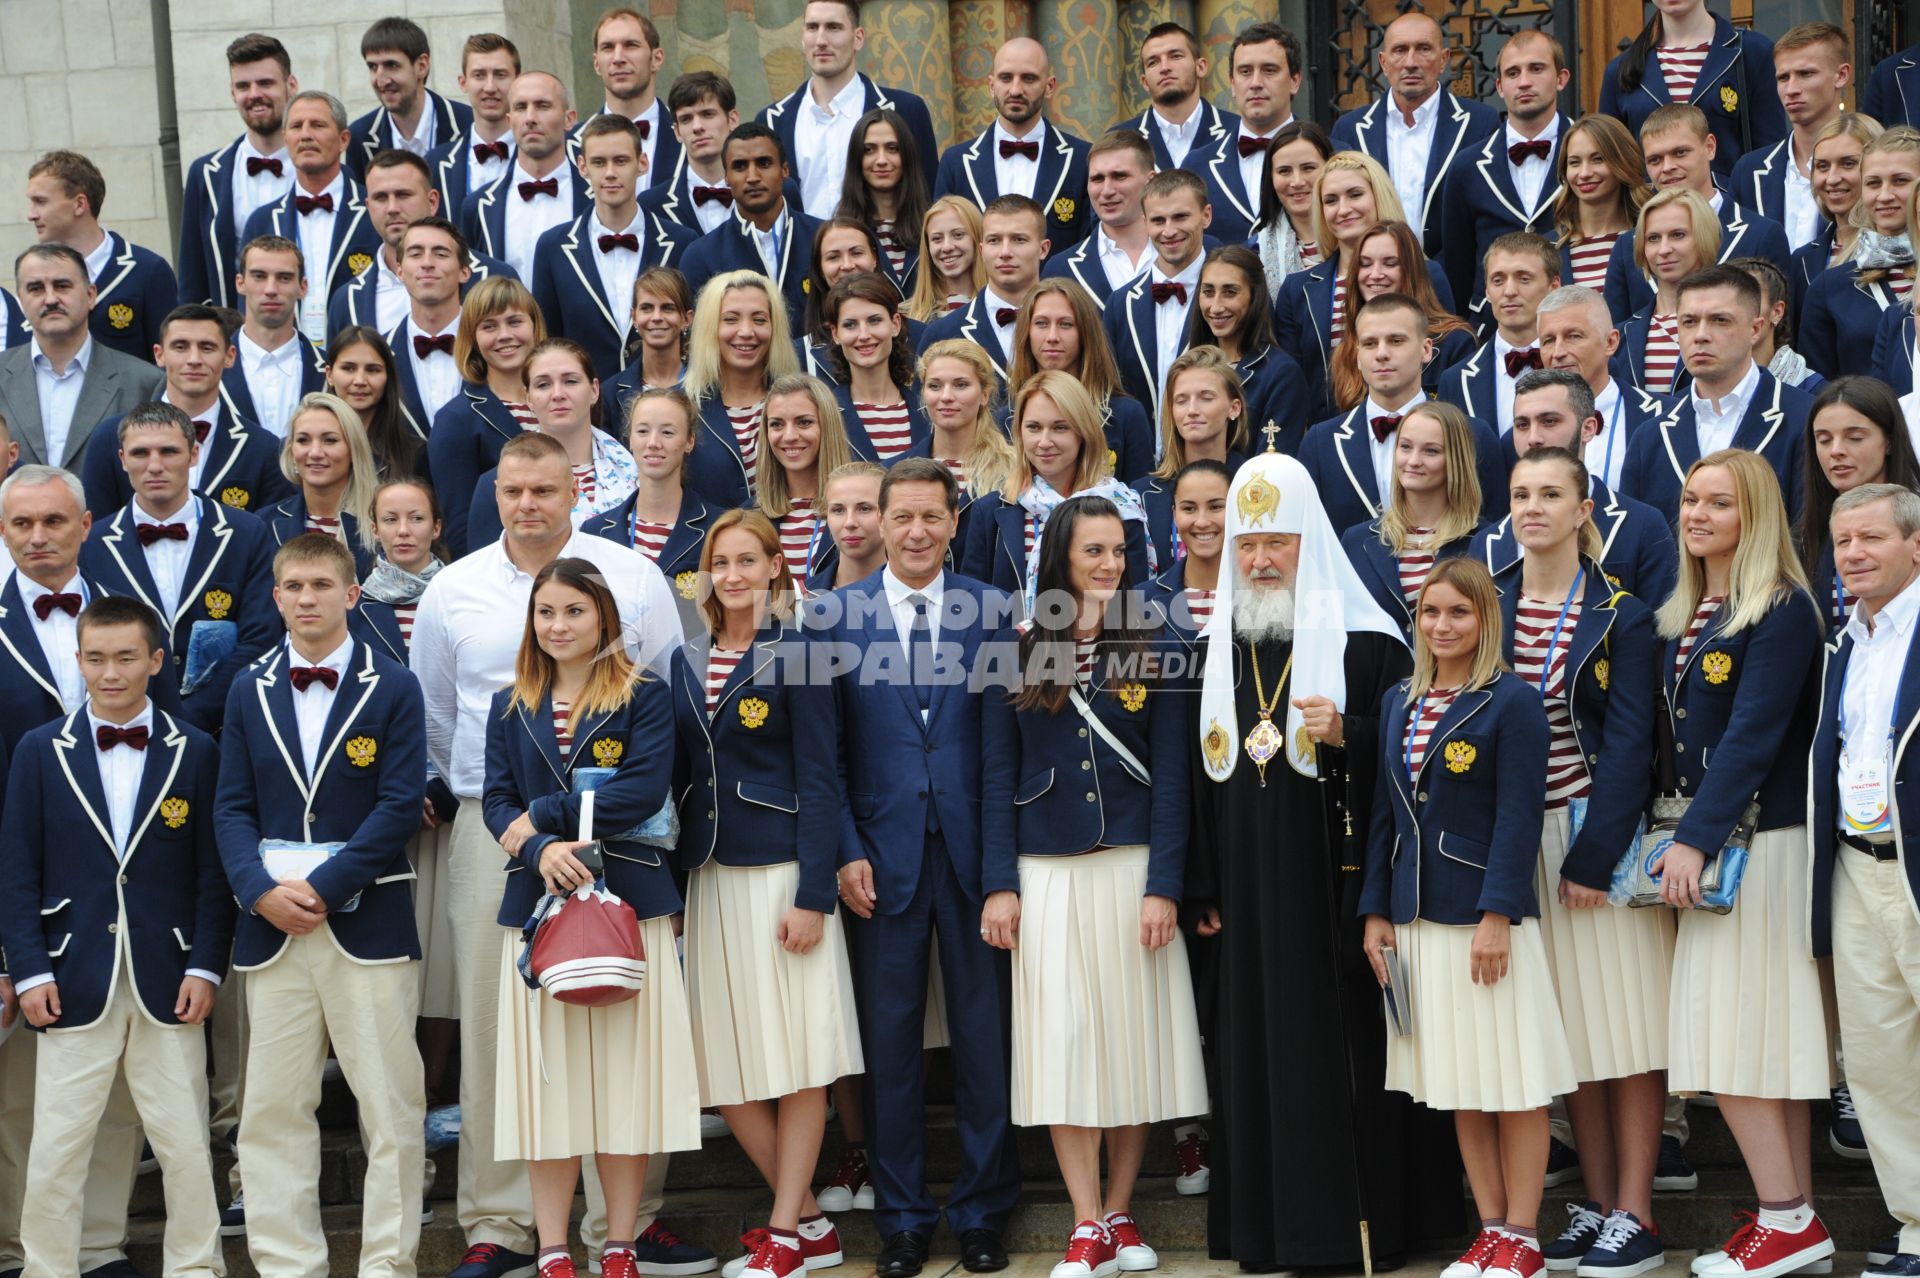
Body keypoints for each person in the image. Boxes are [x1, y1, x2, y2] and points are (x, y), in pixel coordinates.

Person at [411, 428, 695, 1278]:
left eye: (543, 489)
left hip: (622, 846)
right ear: (493, 492)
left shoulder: (633, 574)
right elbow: (437, 713)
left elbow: (669, 697)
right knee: (507, 1030)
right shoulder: (452, 588)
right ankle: (503, 1225)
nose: (526, 504)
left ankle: (627, 1226)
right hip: (493, 838)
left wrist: (551, 816)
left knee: (622, 1025)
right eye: (511, 490)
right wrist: (523, 834)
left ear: (575, 487)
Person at [1189, 446, 1462, 1272]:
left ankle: (1352, 1229)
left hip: (1335, 897)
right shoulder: (1217, 647)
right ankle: (1267, 1231)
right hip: (1245, 894)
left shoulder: (1370, 645)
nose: (1262, 560)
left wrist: (1350, 736)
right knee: (1255, 1056)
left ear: (1309, 540)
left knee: (1344, 1063)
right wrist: (1200, 879)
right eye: (1247, 544)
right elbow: (1194, 779)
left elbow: (1410, 767)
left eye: (1278, 542)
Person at [980, 492, 1205, 1278]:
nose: (1108, 566)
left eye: (1117, 551)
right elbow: (996, 773)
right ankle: (1083, 1220)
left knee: (1130, 1044)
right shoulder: (1016, 647)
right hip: (1044, 871)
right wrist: (998, 883)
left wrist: (1165, 884)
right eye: (1092, 552)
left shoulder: (1158, 640)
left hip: (1133, 870)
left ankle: (1119, 1209)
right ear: (1060, 561)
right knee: (1065, 1043)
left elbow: (1174, 777)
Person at [804, 456, 1018, 1278]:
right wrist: (845, 851)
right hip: (877, 864)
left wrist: (1002, 874)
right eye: (904, 518)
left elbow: (1003, 755)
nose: (919, 532)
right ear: (879, 524)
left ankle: (983, 1213)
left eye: (934, 517)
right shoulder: (831, 616)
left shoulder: (994, 612)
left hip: (971, 863)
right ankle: (899, 1219)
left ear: (954, 523)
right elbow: (825, 760)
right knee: (890, 1051)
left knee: (982, 1046)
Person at [214, 530, 429, 1278]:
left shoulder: (394, 683)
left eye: (320, 586)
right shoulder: (249, 688)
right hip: (270, 927)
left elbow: (401, 805)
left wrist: (328, 886)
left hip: (366, 920)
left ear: (352, 593)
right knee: (270, 1110)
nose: (307, 599)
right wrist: (259, 890)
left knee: (392, 1109)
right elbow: (231, 808)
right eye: (294, 587)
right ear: (275, 598)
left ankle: (387, 1266)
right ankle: (285, 1265)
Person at [482, 555, 700, 1278]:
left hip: (630, 902)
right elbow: (492, 799)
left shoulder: (644, 694)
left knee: (625, 1084)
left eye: (573, 611)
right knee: (550, 1089)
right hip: (539, 909)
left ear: (601, 616)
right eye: (546, 612)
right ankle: (552, 1251)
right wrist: (536, 849)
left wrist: (535, 826)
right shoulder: (510, 702)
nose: (558, 625)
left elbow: (641, 792)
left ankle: (618, 1247)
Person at [0, 593, 229, 1278]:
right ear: (77, 661)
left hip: (170, 973)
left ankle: (196, 1266)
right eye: (96, 659)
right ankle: (48, 1268)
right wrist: (32, 970)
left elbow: (212, 874)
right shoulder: (40, 752)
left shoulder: (197, 749)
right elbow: (17, 871)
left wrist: (207, 966)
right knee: (58, 1142)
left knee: (184, 1140)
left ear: (156, 660)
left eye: (126, 657)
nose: (110, 673)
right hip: (73, 976)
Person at [1486, 447, 1671, 1278]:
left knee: (1625, 1028)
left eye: (1550, 494)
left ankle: (1637, 1211)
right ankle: (1597, 1206)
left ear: (1583, 507)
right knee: (1569, 1033)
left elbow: (1632, 742)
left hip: (1597, 838)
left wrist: (1596, 856)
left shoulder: (1621, 613)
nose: (1533, 507)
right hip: (1515, 845)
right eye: (1522, 493)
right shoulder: (1487, 604)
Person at [1359, 556, 1570, 1278]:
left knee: (1512, 1084)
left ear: (1486, 620)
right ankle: (1489, 1228)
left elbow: (1518, 818)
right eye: (1430, 612)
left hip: (1484, 921)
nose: (1442, 626)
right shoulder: (1399, 701)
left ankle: (1524, 1234)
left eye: (1459, 612)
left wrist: (1497, 916)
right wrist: (1376, 913)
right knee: (1459, 1086)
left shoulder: (1512, 700)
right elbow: (1385, 815)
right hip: (1417, 920)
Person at [1653, 449, 1833, 1278]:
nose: (1697, 515)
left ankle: (1787, 1216)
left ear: (1752, 516)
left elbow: (1753, 736)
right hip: (1726, 844)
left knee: (1733, 1038)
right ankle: (1790, 1215)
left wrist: (1694, 839)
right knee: (1752, 1038)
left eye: (1718, 504)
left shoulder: (1783, 608)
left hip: (1758, 846)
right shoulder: (1690, 607)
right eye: (1691, 499)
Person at [671, 508, 859, 1278]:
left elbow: (822, 778)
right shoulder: (683, 658)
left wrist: (815, 892)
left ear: (776, 567)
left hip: (785, 876)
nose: (735, 575)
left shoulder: (802, 651)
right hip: (710, 877)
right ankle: (812, 1219)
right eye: (722, 563)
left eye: (750, 560)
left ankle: (784, 1233)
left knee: (801, 1057)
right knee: (725, 1065)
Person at [1808, 482, 1920, 1278]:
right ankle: (1917, 1227)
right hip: (1855, 865)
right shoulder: (1843, 638)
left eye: (1870, 539)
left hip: (1915, 868)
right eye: (1844, 542)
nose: (1853, 555)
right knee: (1879, 1064)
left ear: (1916, 544)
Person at [353, 477, 460, 1106]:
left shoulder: (461, 593)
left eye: (415, 517)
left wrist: (441, 787)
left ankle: (437, 1084)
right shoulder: (356, 608)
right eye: (389, 519)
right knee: (401, 952)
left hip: (452, 798)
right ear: (373, 528)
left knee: (445, 951)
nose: (402, 531)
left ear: (436, 526)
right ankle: (394, 1092)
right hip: (385, 806)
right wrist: (401, 788)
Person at [80, 400, 280, 732]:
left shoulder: (245, 533)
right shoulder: (93, 544)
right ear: (122, 460)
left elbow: (261, 638)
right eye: (141, 453)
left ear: (194, 454)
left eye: (169, 452)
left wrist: (194, 718)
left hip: (224, 729)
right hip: (125, 727)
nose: (155, 465)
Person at [1299, 292, 1505, 535]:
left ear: (1426, 349)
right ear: (1357, 356)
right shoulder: (1321, 443)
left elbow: (1494, 535)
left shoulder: (1474, 434)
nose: (1381, 353)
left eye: (1396, 341)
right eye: (1369, 343)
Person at [1477, 367, 1679, 610]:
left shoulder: (1642, 526)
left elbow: (1657, 635)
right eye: (1522, 425)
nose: (1533, 437)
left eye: (1549, 421)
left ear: (1588, 428)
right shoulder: (1486, 542)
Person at [1622, 266, 1812, 524]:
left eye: (1720, 320)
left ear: (1756, 329)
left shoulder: (1804, 418)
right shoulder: (1650, 437)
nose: (1700, 336)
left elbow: (1811, 536)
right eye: (1689, 322)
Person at [1272, 154, 1446, 417]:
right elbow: (1293, 386)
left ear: (1379, 197)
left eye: (1355, 195)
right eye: (1331, 200)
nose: (1343, 209)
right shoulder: (1297, 290)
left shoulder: (1428, 273)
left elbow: (1442, 355)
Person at [960, 370, 1153, 607]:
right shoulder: (990, 511)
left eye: (1060, 427)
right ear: (1019, 433)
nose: (1044, 441)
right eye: (1033, 427)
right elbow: (974, 606)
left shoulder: (1121, 507)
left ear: (1083, 432)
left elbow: (1133, 600)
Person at [79, 303, 291, 518]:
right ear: (159, 354)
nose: (194, 360)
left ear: (230, 356)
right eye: (180, 347)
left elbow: (268, 540)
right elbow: (96, 534)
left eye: (207, 348)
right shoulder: (109, 437)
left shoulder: (263, 449)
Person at [532, 114, 698, 383]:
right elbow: (547, 341)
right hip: (585, 406)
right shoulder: (553, 247)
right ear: (582, 166)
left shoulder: (682, 242)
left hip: (667, 400)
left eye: (620, 161)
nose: (610, 173)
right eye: (599, 162)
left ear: (641, 163)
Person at [1601, 105, 1795, 322]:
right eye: (1655, 160)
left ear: (1710, 147)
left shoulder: (1762, 235)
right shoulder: (1629, 245)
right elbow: (1617, 337)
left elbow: (1780, 332)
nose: (1667, 167)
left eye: (1680, 153)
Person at [1439, 31, 1576, 334]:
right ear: (1500, 86)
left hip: (1573, 324)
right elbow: (1458, 265)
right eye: (1513, 73)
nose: (1524, 81)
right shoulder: (1467, 166)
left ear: (1562, 78)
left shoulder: (1592, 154)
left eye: (1536, 69)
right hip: (1490, 330)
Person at [1329, 13, 1500, 249]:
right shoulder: (1349, 129)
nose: (1411, 62)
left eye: (1423, 49)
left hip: (1452, 279)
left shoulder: (1479, 123)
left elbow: (1487, 214)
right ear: (1383, 62)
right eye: (1400, 50)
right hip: (1373, 277)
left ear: (1443, 59)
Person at [760, 0, 938, 220]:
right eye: (812, 27)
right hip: (800, 253)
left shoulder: (906, 110)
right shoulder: (770, 122)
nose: (821, 40)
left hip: (885, 251)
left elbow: (928, 202)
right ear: (803, 36)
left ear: (858, 38)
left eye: (834, 27)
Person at [0, 243, 166, 468]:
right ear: (20, 300)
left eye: (62, 286)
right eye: (36, 288)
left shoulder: (144, 382)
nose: (50, 299)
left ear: (90, 295)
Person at [465, 338, 640, 549]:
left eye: (570, 381)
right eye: (543, 385)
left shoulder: (639, 471)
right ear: (528, 397)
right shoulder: (498, 482)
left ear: (594, 390)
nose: (558, 394)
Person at [240, 90, 382, 344]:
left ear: (344, 139)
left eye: (317, 125)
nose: (306, 135)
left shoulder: (375, 211)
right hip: (289, 359)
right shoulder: (262, 221)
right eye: (296, 126)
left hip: (361, 362)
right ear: (286, 139)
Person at [329, 149, 515, 337]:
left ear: (432, 201)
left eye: (403, 195)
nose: (392, 208)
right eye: (381, 198)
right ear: (368, 207)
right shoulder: (346, 300)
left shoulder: (496, 276)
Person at [428, 275, 548, 557]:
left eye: (514, 322)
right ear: (472, 337)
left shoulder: (563, 400)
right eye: (489, 326)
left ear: (534, 325)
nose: (504, 335)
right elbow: (460, 531)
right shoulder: (456, 420)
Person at [1339, 400, 1485, 632]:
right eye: (1405, 447)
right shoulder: (1356, 541)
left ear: (1456, 460)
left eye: (1431, 451)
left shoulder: (1484, 542)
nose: (1414, 461)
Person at [1599, 0, 1787, 179]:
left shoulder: (1752, 52)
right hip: (1651, 207)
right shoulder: (1621, 69)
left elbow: (1771, 156)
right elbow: (1612, 161)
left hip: (1728, 207)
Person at [177, 33, 298, 311]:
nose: (254, 94)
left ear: (291, 85)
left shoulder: (324, 169)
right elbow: (191, 275)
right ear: (233, 93)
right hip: (234, 336)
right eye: (243, 86)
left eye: (265, 83)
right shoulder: (206, 174)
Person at [934, 38, 1091, 249]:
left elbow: (1090, 246)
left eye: (1028, 78)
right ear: (991, 85)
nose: (1015, 90)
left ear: (1050, 86)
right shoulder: (956, 163)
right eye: (1006, 78)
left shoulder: (1082, 159)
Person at [25, 150, 178, 362]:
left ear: (79, 204)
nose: (31, 214)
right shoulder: (32, 276)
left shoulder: (146, 270)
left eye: (41, 202)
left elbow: (169, 362)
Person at [1799, 376, 1920, 634]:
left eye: (1854, 437)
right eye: (1824, 440)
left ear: (1889, 441)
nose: (1836, 451)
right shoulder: (1800, 541)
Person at [1800, 127, 1920, 381]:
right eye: (1873, 183)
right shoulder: (1829, 288)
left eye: (1900, 180)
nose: (1885, 196)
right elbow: (1818, 390)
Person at [681, 124, 824, 336]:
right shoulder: (700, 256)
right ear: (726, 177)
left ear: (785, 170)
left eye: (764, 163)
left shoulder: (825, 239)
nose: (753, 177)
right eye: (740, 166)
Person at [1007, 278, 1155, 483]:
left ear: (1085, 333)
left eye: (1066, 324)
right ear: (1027, 332)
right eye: (1041, 323)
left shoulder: (1125, 416)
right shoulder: (1006, 418)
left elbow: (1141, 497)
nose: (1052, 336)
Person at [1328, 220, 1477, 412]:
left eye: (1390, 264)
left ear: (1411, 270)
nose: (1375, 274)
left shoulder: (1455, 342)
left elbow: (1463, 426)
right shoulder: (1346, 349)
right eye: (1365, 264)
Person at [582, 387, 720, 592]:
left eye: (667, 432)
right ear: (630, 439)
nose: (653, 443)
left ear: (689, 441)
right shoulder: (593, 533)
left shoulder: (719, 529)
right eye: (643, 431)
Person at [683, 271, 802, 510]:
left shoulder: (804, 402)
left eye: (759, 320)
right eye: (731, 319)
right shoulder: (681, 407)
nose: (746, 331)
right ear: (709, 327)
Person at [1729, 23, 1852, 251]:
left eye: (1806, 74)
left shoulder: (1872, 163)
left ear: (1842, 75)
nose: (1791, 88)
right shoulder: (1747, 171)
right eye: (1783, 77)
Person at [1104, 169, 1213, 424]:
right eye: (1158, 220)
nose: (1169, 231)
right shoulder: (1121, 304)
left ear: (1206, 216)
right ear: (1144, 223)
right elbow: (1109, 392)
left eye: (1180, 217)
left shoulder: (1231, 294)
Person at [460, 71, 589, 285]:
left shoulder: (596, 199)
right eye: (521, 107)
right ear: (509, 120)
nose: (530, 118)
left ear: (569, 119)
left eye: (542, 106)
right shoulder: (477, 207)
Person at [898, 339, 1019, 557]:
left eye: (961, 385)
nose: (946, 397)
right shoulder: (894, 471)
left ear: (985, 394)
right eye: (935, 386)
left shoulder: (1016, 472)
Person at [1192, 22, 1307, 245]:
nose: (1255, 83)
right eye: (1245, 72)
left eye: (1269, 70)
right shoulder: (1197, 165)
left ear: (1294, 81)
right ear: (1233, 85)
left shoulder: (1333, 156)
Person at [1134, 346, 1249, 567]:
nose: (1192, 410)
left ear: (1234, 408)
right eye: (1181, 400)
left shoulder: (1254, 485)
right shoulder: (1142, 495)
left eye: (1206, 398)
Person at [918, 195, 1050, 386]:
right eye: (994, 240)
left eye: (1018, 239)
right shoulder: (943, 333)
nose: (1005, 252)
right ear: (981, 249)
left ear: (1043, 249)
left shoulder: (1073, 322)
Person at [1438, 232, 1561, 434]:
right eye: (1498, 280)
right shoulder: (1455, 381)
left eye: (1524, 278)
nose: (1509, 290)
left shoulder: (1579, 364)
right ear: (1486, 290)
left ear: (1553, 287)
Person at [1186, 244, 1309, 442]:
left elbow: (1274, 464)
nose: (1216, 307)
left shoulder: (1281, 374)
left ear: (1254, 298)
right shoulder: (1189, 366)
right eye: (1208, 292)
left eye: (1230, 292)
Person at [259, 391, 380, 580]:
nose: (315, 452)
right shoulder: (263, 525)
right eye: (303, 440)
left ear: (353, 449)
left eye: (330, 440)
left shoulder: (385, 521)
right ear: (291, 451)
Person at [1616, 189, 1720, 397]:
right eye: (1653, 238)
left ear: (1703, 237)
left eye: (1677, 235)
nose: (1664, 249)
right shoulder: (1622, 334)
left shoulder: (1729, 322)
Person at [226, 234, 328, 441]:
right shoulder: (211, 367)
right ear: (240, 283)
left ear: (303, 287)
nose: (271, 289)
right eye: (259, 276)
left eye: (284, 278)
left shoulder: (330, 369)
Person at [754, 375, 853, 587]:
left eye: (804, 422)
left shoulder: (863, 510)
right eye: (777, 424)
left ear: (827, 426)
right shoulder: (749, 519)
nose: (789, 436)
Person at [1042, 130, 1155, 312]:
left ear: (1150, 181)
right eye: (1097, 179)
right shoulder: (1061, 268)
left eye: (1120, 176)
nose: (1107, 190)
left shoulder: (1195, 252)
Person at [345, 16, 473, 177]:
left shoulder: (468, 125)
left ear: (422, 66)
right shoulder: (359, 137)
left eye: (392, 65)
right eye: (372, 67)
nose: (381, 80)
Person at [388, 217, 478, 440]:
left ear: (464, 271)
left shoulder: (492, 348)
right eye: (416, 254)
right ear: (399, 270)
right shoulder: (379, 353)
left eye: (440, 253)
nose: (427, 263)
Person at [824, 273, 925, 462]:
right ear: (836, 334)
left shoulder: (928, 410)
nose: (863, 335)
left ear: (895, 324)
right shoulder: (823, 414)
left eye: (874, 320)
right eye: (850, 325)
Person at [572, 8, 678, 187]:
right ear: (597, 64)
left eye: (630, 45)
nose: (618, 58)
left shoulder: (690, 136)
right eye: (608, 47)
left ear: (656, 58)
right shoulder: (569, 145)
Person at [1792, 115, 1882, 319]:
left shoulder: (1900, 251)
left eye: (1848, 163)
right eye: (1822, 166)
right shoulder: (1801, 260)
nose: (1832, 178)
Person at [424, 33, 523, 219]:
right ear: (463, 83)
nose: (490, 87)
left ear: (518, 81)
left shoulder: (541, 155)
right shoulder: (435, 164)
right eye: (479, 75)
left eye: (500, 75)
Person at [1550, 115, 1651, 295]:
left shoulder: (1650, 239)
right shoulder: (1547, 248)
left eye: (1597, 159)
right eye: (1574, 162)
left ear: (1622, 162)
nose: (1585, 173)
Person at [1122, 21, 1237, 173]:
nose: (1164, 68)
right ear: (1144, 82)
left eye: (1175, 56)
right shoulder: (1121, 139)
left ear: (1200, 67)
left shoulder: (1237, 131)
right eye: (1153, 62)